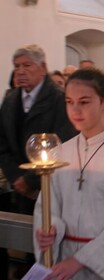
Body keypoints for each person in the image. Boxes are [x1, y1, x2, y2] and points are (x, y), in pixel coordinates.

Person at [34, 68, 104, 280]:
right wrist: (47, 231)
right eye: (69, 101)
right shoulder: (59, 153)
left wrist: (80, 260)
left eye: (84, 102)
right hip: (63, 260)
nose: (75, 110)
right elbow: (47, 207)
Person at [0, 44, 76, 214]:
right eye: (17, 66)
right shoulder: (10, 100)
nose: (20, 71)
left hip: (51, 188)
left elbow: (65, 144)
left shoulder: (60, 99)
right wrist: (16, 178)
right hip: (19, 190)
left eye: (27, 65)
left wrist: (30, 181)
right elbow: (2, 143)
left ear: (43, 68)